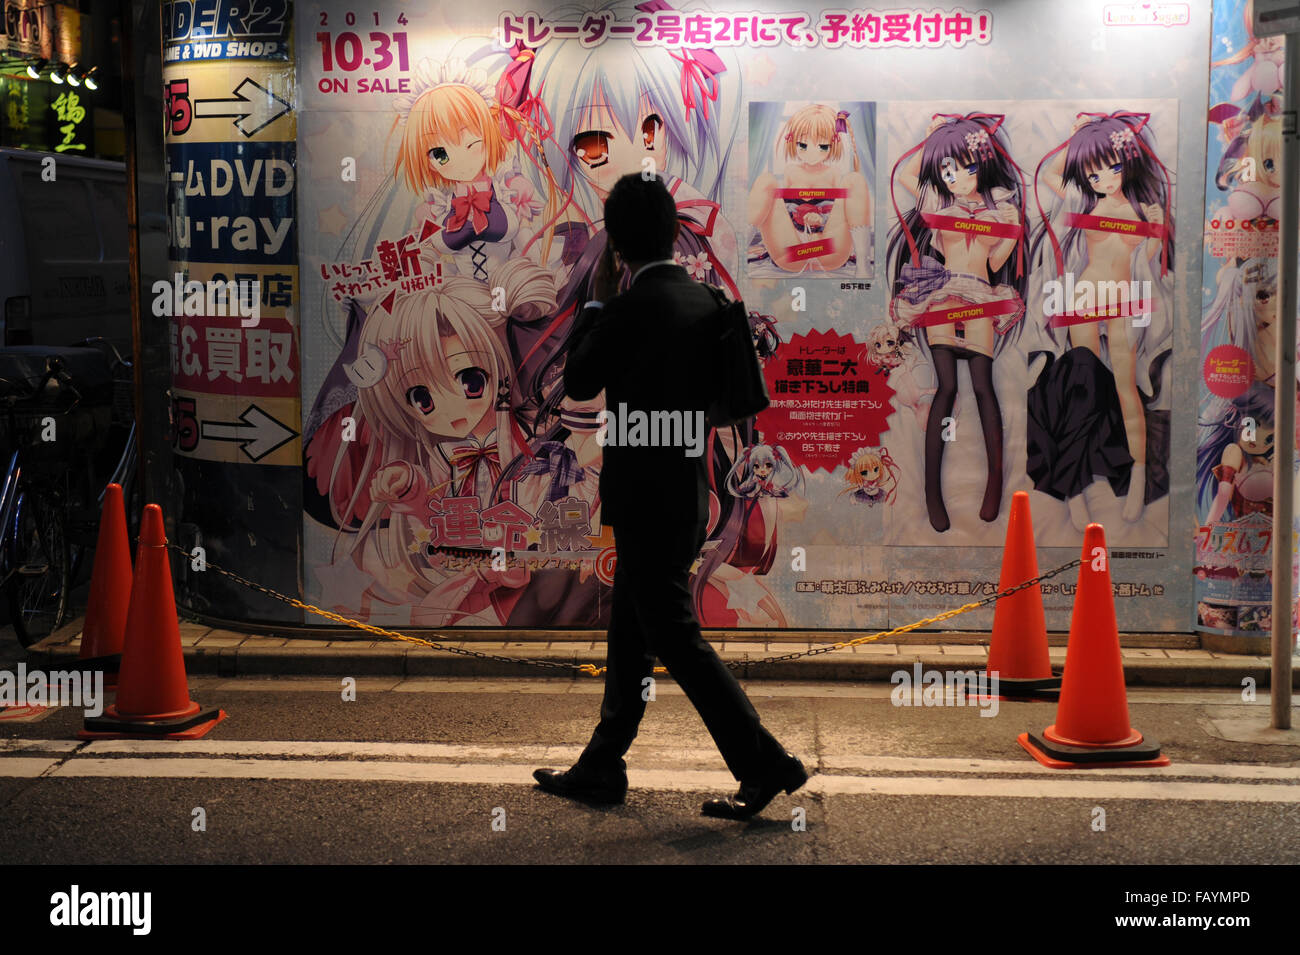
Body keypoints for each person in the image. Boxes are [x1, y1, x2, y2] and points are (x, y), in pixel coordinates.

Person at [532, 174, 807, 820]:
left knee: (674, 636)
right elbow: (732, 403)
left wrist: (597, 305)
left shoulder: (624, 309)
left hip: (639, 501)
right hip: (688, 496)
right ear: (671, 232)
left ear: (617, 245)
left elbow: (576, 380)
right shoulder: (709, 304)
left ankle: (764, 761)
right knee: (632, 633)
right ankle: (603, 763)